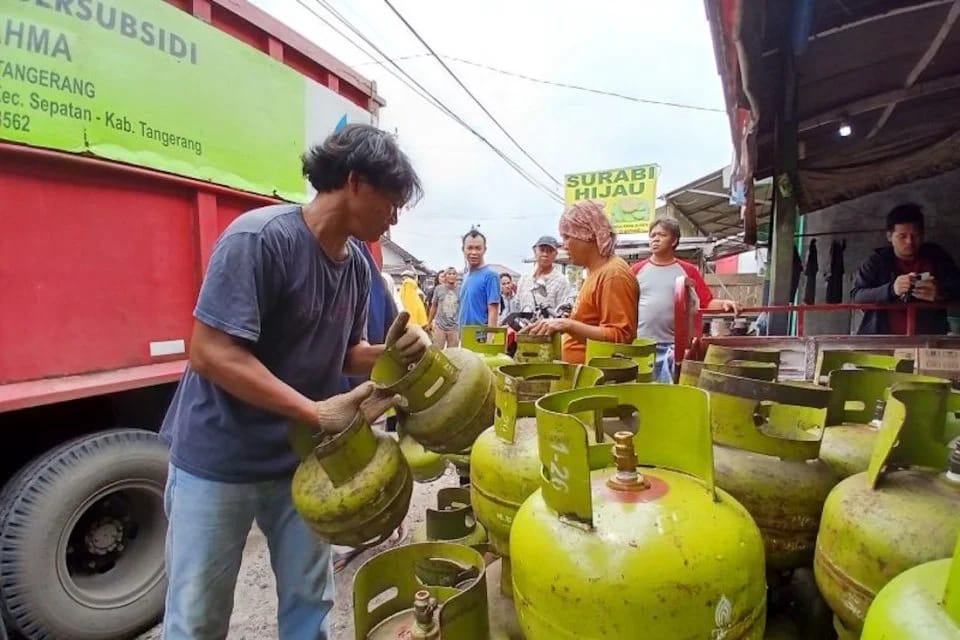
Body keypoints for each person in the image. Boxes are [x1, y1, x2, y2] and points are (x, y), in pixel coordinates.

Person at [158, 123, 429, 640]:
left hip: (300, 466)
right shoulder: (260, 239)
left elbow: (345, 353)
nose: (394, 217)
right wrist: (315, 413)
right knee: (196, 618)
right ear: (355, 181)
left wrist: (388, 355)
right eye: (392, 201)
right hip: (218, 462)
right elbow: (211, 352)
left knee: (310, 607)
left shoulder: (355, 267)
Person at [522, 200, 638, 363]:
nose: (564, 246)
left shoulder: (613, 274)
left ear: (587, 235)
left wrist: (567, 325)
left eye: (567, 237)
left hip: (594, 381)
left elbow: (621, 339)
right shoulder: (594, 272)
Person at [632, 218, 738, 382]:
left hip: (674, 348)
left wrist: (725, 304)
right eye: (652, 235)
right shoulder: (636, 270)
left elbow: (705, 302)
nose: (655, 239)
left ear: (674, 240)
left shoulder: (688, 271)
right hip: (641, 346)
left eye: (662, 235)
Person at [851, 203, 960, 335]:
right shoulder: (877, 260)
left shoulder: (936, 256)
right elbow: (857, 295)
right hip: (883, 340)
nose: (909, 241)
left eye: (916, 235)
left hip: (928, 339)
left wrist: (940, 293)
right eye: (902, 236)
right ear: (889, 236)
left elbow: (956, 286)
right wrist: (892, 289)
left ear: (923, 234)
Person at [515, 235, 575, 315]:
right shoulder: (524, 279)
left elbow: (563, 314)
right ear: (535, 251)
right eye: (542, 250)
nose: (545, 254)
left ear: (556, 254)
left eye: (550, 251)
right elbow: (517, 305)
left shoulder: (562, 281)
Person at [458, 229, 501, 329]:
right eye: (470, 248)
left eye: (478, 248)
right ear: (463, 249)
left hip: (480, 337)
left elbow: (493, 310)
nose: (474, 252)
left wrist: (490, 339)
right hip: (464, 335)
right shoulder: (466, 277)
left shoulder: (491, 276)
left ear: (484, 249)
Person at [428, 266, 460, 348]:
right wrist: (429, 323)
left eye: (454, 274)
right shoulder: (439, 289)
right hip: (440, 326)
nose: (451, 276)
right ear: (445, 276)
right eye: (449, 274)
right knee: (437, 351)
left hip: (454, 327)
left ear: (456, 276)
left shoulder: (460, 290)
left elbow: (463, 308)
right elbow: (433, 306)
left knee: (453, 353)